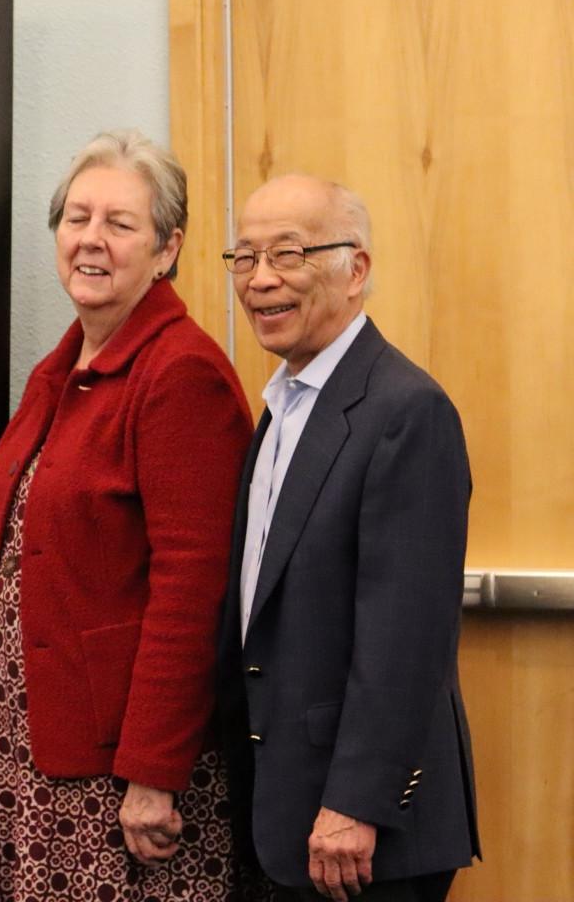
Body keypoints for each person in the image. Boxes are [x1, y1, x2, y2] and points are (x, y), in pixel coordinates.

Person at [0, 131, 252, 901]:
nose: (92, 239)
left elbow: (196, 591)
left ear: (167, 249)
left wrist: (154, 775)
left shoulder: (180, 373)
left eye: (120, 223)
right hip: (34, 756)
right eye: (76, 218)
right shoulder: (60, 371)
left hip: (121, 778)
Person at [218, 175, 478, 902]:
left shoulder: (406, 410)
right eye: (243, 257)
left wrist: (356, 804)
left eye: (288, 254)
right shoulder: (282, 406)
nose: (261, 279)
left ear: (355, 269)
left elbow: (408, 634)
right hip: (286, 810)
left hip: (363, 833)